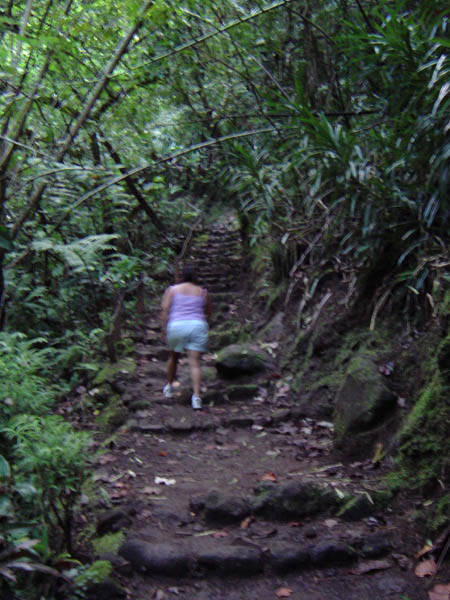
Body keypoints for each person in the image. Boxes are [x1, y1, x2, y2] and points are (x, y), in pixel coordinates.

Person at [161, 265, 212, 409]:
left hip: (176, 325)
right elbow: (209, 312)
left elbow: (165, 309)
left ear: (182, 276)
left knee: (173, 358)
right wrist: (203, 323)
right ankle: (196, 397)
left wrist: (164, 328)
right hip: (197, 325)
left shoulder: (172, 290)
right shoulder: (203, 292)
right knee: (195, 362)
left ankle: (169, 387)